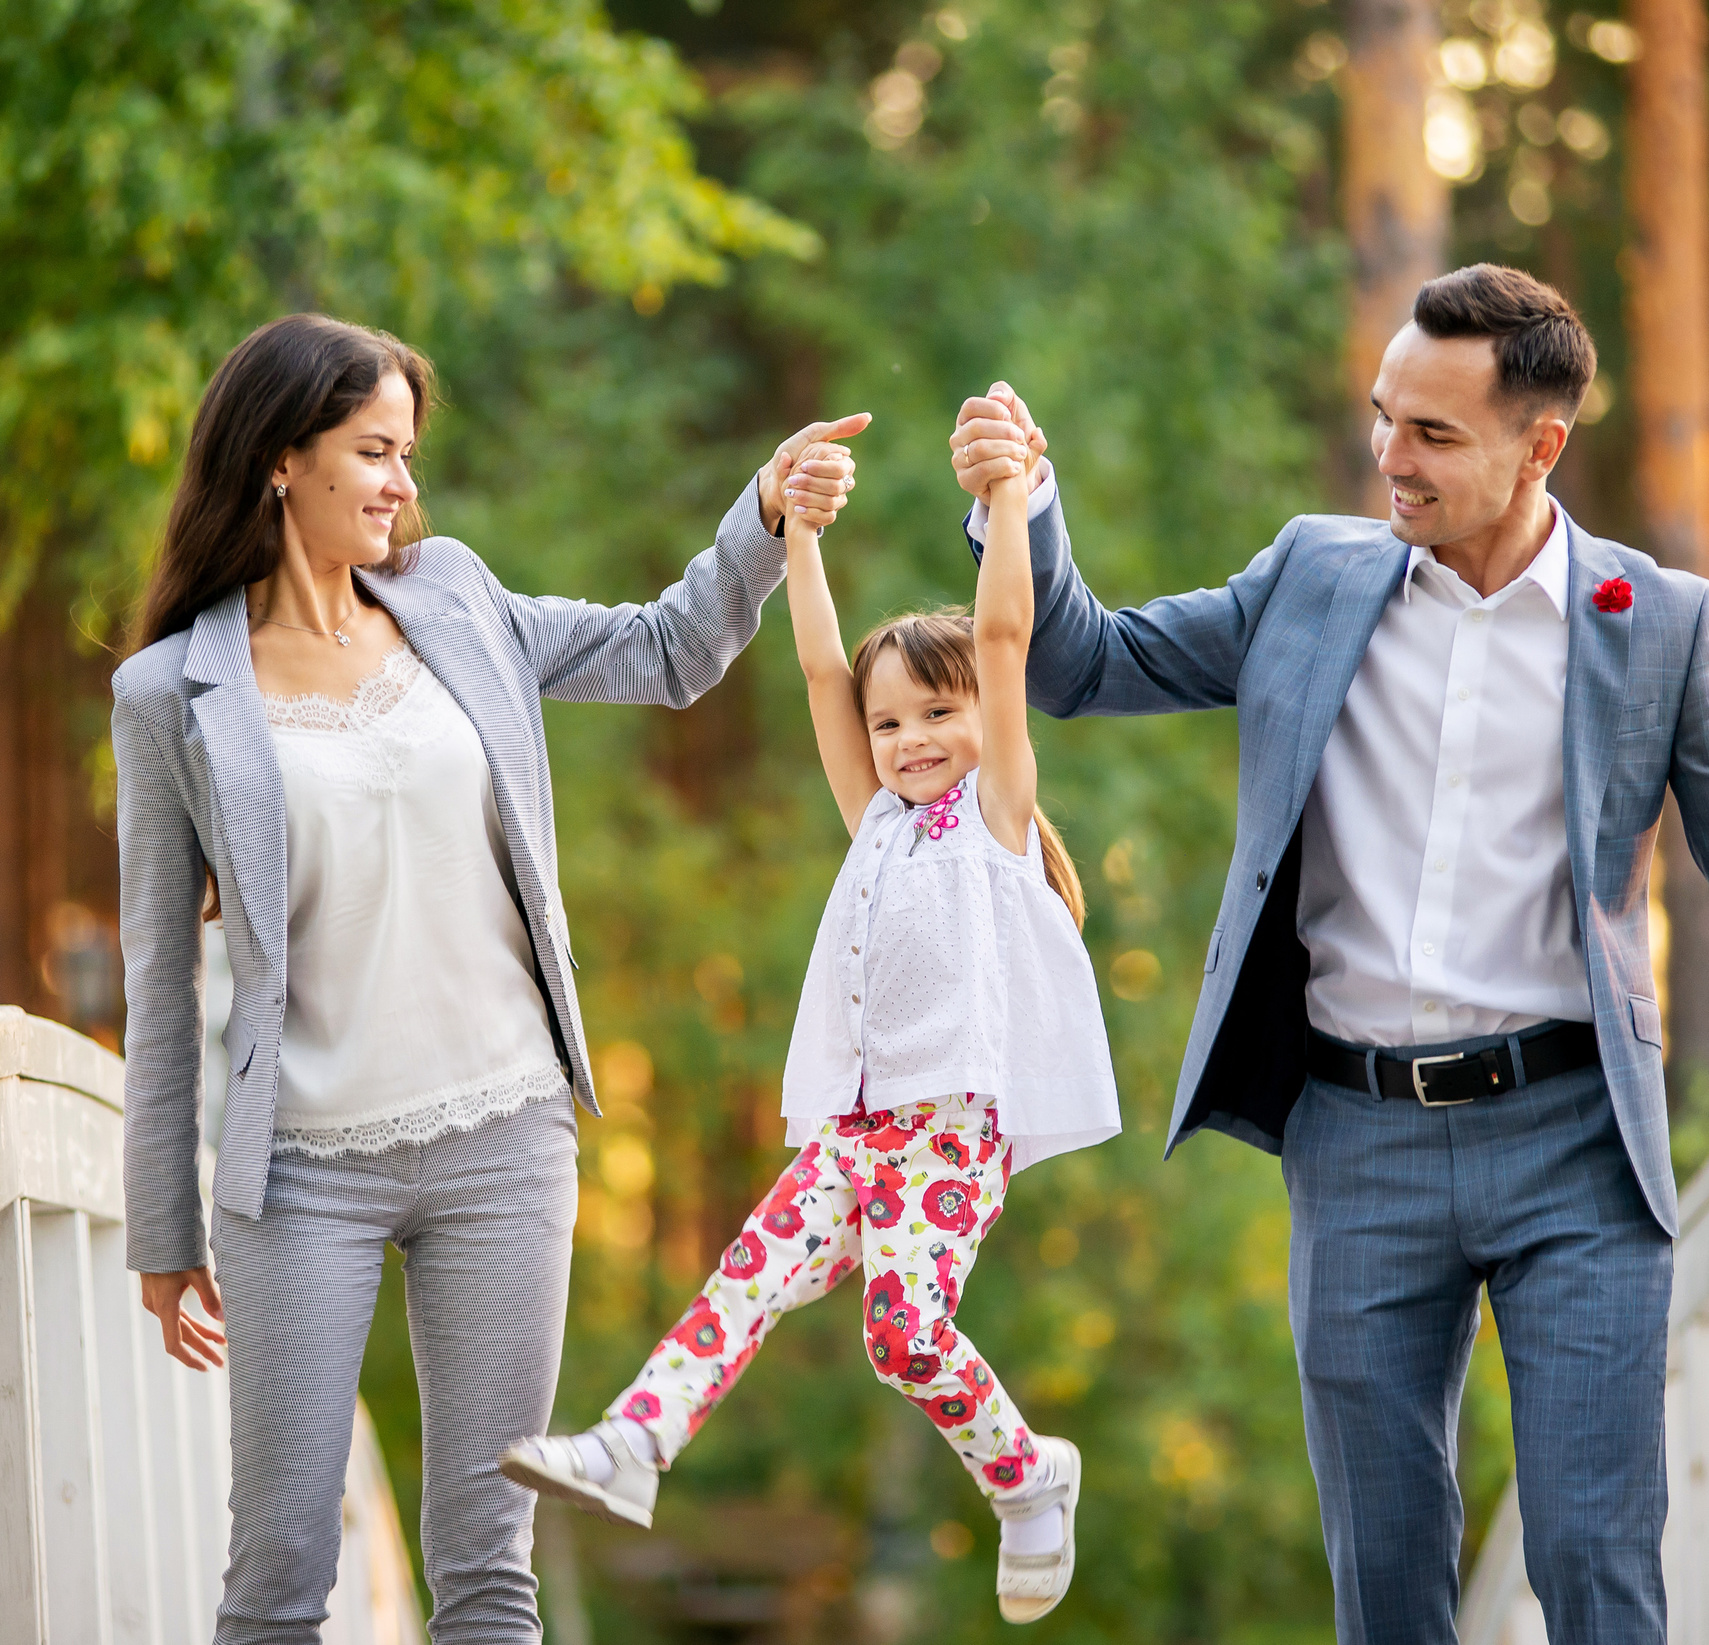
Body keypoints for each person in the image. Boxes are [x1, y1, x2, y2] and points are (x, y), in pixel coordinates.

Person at [947, 264, 1698, 1645]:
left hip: (1577, 1142)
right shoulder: (1311, 576)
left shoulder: (1659, 623)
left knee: (1596, 1556)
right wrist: (1021, 507)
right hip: (1358, 1144)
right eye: (1381, 417)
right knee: (1385, 1570)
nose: (1388, 459)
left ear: (1541, 447)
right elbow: (1078, 665)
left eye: (1431, 435)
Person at [112, 310, 867, 1643]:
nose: (406, 485)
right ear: (281, 460)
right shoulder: (170, 693)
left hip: (503, 1140)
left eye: (410, 454)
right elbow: (160, 977)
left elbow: (670, 649)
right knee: (279, 1574)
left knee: (488, 1567)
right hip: (299, 1171)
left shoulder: (455, 597)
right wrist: (164, 1230)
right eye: (376, 452)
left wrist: (761, 513)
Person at [500, 424, 1121, 1624]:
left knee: (901, 1332)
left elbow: (1002, 637)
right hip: (855, 1125)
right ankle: (635, 1440)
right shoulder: (877, 822)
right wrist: (799, 535)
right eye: (891, 727)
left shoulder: (991, 820)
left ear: (985, 721)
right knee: (744, 1275)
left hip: (951, 1127)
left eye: (936, 714)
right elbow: (822, 673)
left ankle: (1028, 1470)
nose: (910, 741)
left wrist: (1001, 499)